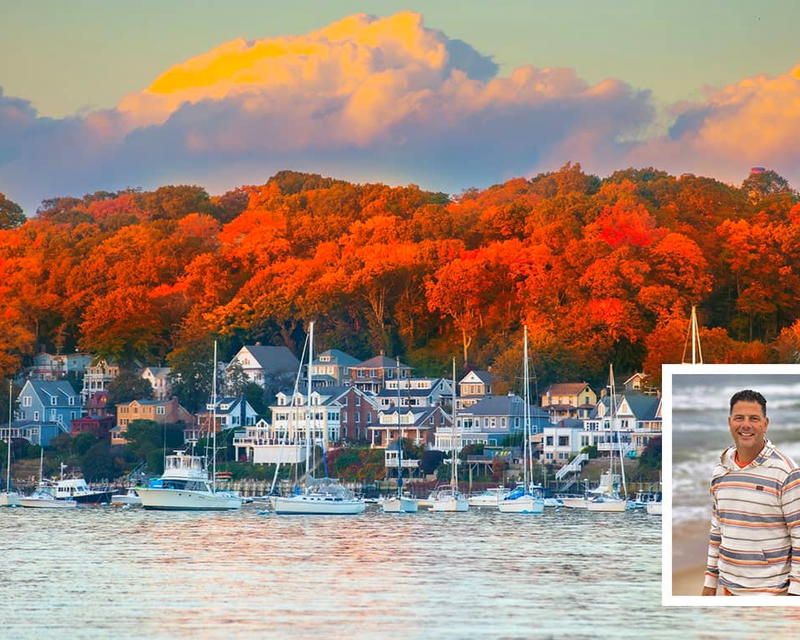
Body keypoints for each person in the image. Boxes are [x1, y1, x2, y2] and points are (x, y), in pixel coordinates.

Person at [702, 389, 800, 595]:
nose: (746, 425)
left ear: (765, 424)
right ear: (730, 422)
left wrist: (795, 593)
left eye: (754, 418)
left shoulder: (786, 472)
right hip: (729, 589)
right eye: (739, 418)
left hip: (772, 593)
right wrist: (710, 584)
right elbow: (717, 530)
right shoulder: (721, 469)